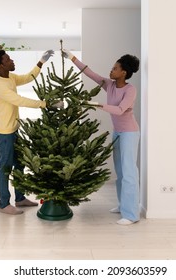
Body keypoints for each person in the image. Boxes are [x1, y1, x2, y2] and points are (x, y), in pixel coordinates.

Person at [62, 50, 140, 225]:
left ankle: (132, 214)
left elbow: (120, 110)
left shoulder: (130, 90)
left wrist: (98, 104)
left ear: (124, 73)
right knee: (120, 172)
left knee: (129, 173)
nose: (111, 71)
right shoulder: (109, 85)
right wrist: (72, 58)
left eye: (115, 68)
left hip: (129, 132)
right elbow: (90, 73)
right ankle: (123, 205)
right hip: (118, 132)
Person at [0, 49, 63, 215]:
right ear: (1, 65)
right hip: (4, 132)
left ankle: (20, 198)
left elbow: (29, 77)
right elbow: (20, 101)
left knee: (20, 164)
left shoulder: (10, 77)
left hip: (13, 129)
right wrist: (47, 104)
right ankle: (4, 204)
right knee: (5, 168)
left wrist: (41, 62)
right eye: (8, 59)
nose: (12, 61)